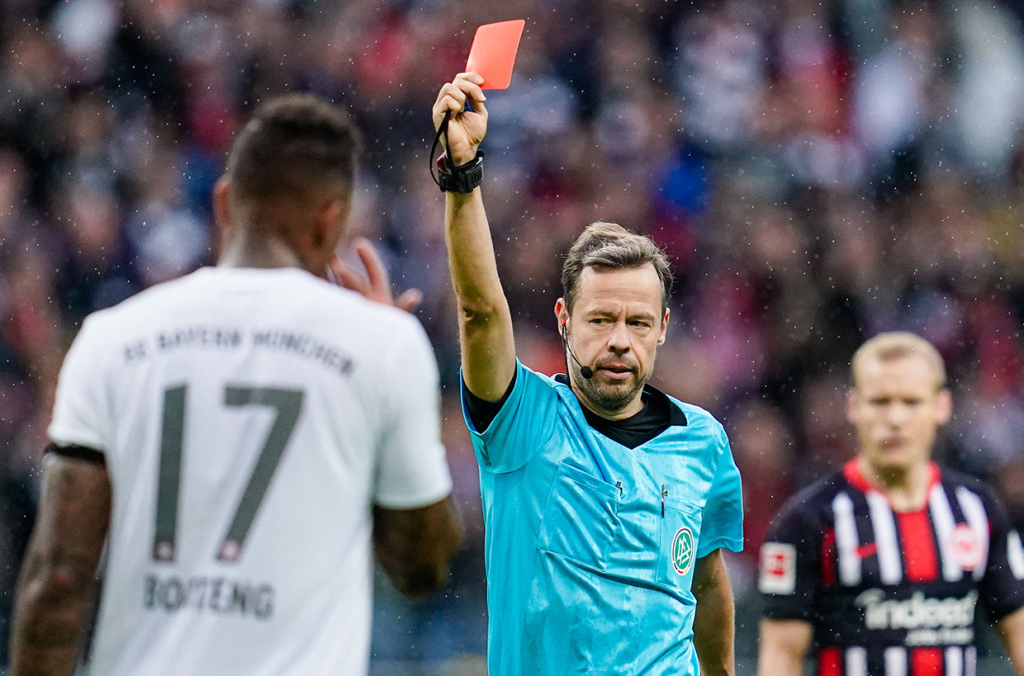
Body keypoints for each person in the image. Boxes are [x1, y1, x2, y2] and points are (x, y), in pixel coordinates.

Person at [10, 94, 461, 676]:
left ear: (224, 202)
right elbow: (420, 567)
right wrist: (387, 368)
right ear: (332, 219)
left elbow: (59, 580)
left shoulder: (112, 338)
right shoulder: (382, 346)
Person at [431, 73, 744, 675]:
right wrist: (463, 177)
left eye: (637, 322)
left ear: (662, 328)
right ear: (564, 321)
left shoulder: (703, 442)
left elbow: (706, 582)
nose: (619, 341)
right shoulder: (522, 421)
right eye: (600, 319)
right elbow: (479, 311)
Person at [758, 332, 1024, 675]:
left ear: (942, 406)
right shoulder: (807, 520)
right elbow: (781, 657)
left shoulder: (979, 510)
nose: (895, 418)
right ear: (854, 407)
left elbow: (1019, 631)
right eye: (880, 402)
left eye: (911, 402)